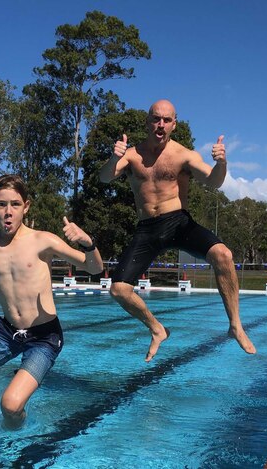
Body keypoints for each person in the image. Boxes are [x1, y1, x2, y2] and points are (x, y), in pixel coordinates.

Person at [0, 174, 103, 429]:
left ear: (26, 206)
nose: (8, 212)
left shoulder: (43, 240)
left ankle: (16, 442)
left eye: (15, 204)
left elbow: (94, 268)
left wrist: (88, 244)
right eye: (1, 204)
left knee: (11, 407)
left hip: (44, 337)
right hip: (7, 332)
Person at [99, 99, 257, 362]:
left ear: (174, 124)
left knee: (224, 256)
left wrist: (222, 164)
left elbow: (213, 182)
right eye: (156, 119)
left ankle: (235, 326)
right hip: (147, 228)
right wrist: (113, 158)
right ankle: (157, 329)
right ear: (147, 121)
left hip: (178, 222)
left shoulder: (184, 155)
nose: (160, 124)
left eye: (166, 120)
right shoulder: (132, 154)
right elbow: (105, 177)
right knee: (118, 289)